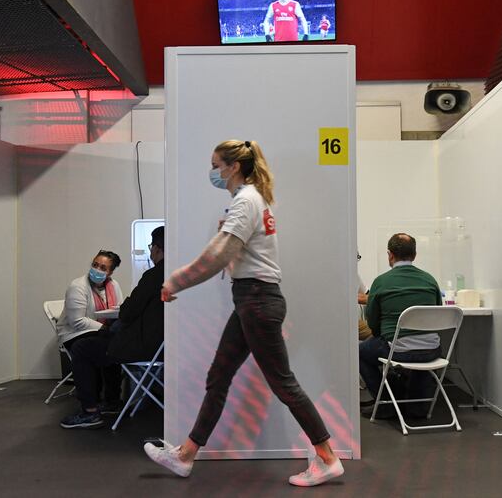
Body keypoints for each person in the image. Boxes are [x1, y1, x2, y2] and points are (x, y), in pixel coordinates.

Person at [144, 140, 344, 487]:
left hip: (257, 300)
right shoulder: (252, 200)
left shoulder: (247, 201)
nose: (214, 172)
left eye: (216, 165)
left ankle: (327, 458)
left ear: (233, 166)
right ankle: (185, 456)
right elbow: (229, 253)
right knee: (219, 376)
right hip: (251, 300)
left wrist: (175, 281)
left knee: (283, 383)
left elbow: (219, 254)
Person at [358, 233, 442, 418]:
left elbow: (372, 322)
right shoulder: (429, 280)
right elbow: (438, 313)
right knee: (420, 349)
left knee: (360, 352)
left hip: (398, 349)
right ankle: (417, 406)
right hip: (432, 350)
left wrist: (381, 335)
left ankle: (387, 402)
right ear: (415, 255)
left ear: (390, 254)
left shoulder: (381, 282)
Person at [57, 249, 124, 429]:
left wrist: (109, 329)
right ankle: (90, 408)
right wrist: (105, 328)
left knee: (112, 345)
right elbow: (77, 321)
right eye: (95, 264)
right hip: (73, 333)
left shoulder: (114, 285)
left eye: (103, 267)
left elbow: (118, 309)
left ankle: (112, 401)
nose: (97, 269)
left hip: (99, 329)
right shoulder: (77, 286)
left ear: (110, 272)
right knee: (88, 347)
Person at [107, 226, 165, 364]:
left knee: (82, 347)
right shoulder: (185, 276)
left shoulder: (152, 276)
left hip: (146, 347)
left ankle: (111, 386)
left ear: (156, 248)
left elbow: (128, 312)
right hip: (171, 347)